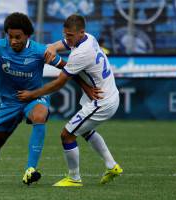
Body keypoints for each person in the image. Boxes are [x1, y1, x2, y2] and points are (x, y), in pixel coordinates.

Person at [0, 12, 68, 186]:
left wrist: (90, 84)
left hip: (33, 98)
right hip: (9, 102)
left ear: (27, 35)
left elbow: (68, 68)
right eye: (10, 36)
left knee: (40, 115)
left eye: (17, 37)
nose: (13, 41)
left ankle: (30, 170)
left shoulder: (40, 51)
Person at [17, 14, 123, 186]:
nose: (67, 39)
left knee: (67, 135)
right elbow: (62, 44)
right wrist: (52, 46)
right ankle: (112, 166)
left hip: (101, 101)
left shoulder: (81, 53)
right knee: (85, 131)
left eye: (70, 36)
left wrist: (33, 94)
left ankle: (74, 178)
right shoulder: (88, 38)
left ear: (81, 32)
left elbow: (59, 83)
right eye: (65, 34)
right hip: (105, 95)